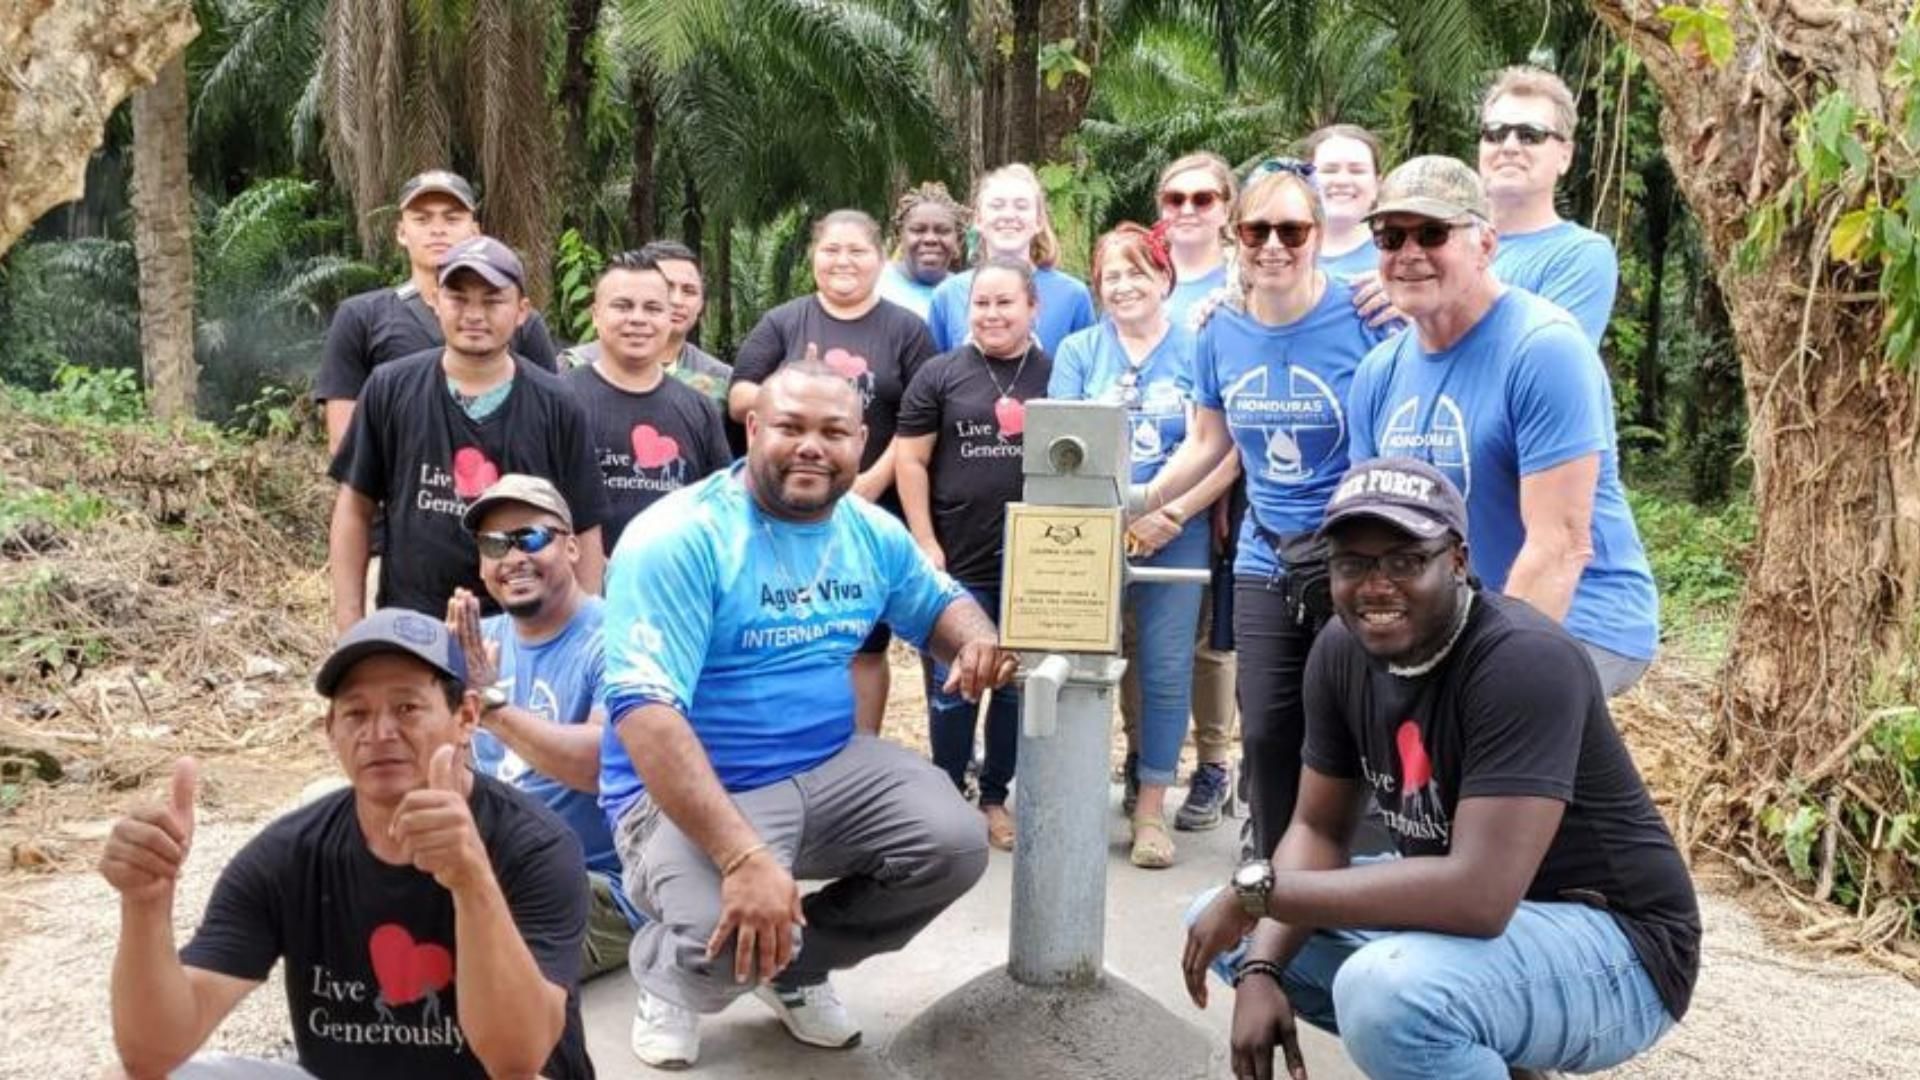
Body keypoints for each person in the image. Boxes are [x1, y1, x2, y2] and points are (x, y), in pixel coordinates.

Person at [1182, 456, 1699, 1080]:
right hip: (1490, 936)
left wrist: (1260, 893)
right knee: (1218, 926)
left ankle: (1487, 1040)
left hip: (1621, 950)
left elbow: (1478, 896)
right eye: (1353, 563)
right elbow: (1319, 831)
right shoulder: (1342, 651)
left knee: (1387, 994)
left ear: (1456, 560)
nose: (1376, 585)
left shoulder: (1523, 661)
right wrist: (1262, 968)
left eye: (1405, 561)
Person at [598, 360, 1016, 1069]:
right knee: (716, 936)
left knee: (952, 844)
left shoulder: (867, 530)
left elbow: (939, 602)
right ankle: (669, 975)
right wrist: (742, 856)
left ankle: (791, 967)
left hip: (827, 762)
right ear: (753, 427)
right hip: (696, 787)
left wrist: (975, 641)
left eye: (833, 431)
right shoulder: (678, 537)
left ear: (862, 440)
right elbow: (646, 715)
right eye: (790, 427)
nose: (811, 447)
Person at [99, 608, 594, 1079]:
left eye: (406, 707)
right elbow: (151, 1052)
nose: (379, 733)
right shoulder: (291, 855)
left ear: (466, 717)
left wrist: (471, 881)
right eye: (356, 713)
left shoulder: (534, 846)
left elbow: (517, 1056)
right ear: (330, 731)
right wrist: (144, 905)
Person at [1145, 162, 1387, 860]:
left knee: (1353, 716)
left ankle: (1354, 868)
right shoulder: (1217, 328)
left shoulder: (1363, 315)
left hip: (1352, 552)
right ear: (1235, 237)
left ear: (1318, 234)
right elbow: (1207, 441)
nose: (1273, 245)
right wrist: (1131, 501)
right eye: (1257, 230)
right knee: (1268, 723)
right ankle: (1270, 864)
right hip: (1266, 550)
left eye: (1292, 229)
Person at [1346, 155, 1658, 694]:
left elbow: (1561, 544)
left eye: (1433, 232)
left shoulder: (1543, 349)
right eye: (1391, 237)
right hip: (1454, 619)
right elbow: (1373, 531)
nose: (1409, 253)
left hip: (1578, 616)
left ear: (1486, 245)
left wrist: (1479, 672)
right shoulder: (1379, 372)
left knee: (1496, 737)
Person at [727, 209, 939, 736]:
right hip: (790, 505)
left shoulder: (907, 330)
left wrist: (870, 482)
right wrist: (799, 387)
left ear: (880, 257)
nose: (843, 261)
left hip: (874, 500)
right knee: (791, 627)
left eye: (857, 251)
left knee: (865, 642)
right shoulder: (785, 322)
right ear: (813, 256)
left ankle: (861, 751)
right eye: (831, 250)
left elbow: (922, 418)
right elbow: (738, 397)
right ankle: (791, 744)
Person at [329, 235, 607, 632]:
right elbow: (355, 506)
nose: (474, 314)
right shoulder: (389, 388)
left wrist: (582, 635)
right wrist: (349, 623)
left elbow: (585, 525)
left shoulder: (558, 402)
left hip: (526, 632)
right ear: (436, 303)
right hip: (413, 622)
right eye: (458, 298)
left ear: (522, 311)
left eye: (493, 300)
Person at [1049, 224, 1207, 869]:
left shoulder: (1199, 349)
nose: (1123, 287)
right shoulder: (1081, 351)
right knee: (1081, 666)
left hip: (1178, 527)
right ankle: (1077, 802)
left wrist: (1169, 511)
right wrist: (1116, 518)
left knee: (1166, 671)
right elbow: (1059, 446)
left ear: (1165, 277)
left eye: (1137, 272)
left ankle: (1149, 812)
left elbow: (1221, 446)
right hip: (1089, 533)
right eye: (1111, 277)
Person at [447, 474, 643, 979]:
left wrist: (489, 706)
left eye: (531, 537)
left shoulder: (617, 638)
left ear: (573, 548)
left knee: (468, 966)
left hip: (592, 886)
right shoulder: (477, 641)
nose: (512, 557)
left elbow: (599, 764)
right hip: (495, 867)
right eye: (494, 544)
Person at [897, 257, 1051, 852]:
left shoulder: (1056, 374)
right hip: (956, 559)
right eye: (981, 303)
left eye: (1005, 302)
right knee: (952, 683)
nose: (992, 314)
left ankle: (993, 797)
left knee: (1012, 686)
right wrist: (924, 541)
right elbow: (910, 460)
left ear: (1032, 307)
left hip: (1032, 564)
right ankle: (945, 789)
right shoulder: (940, 374)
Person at [314, 170, 559, 455]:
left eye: (452, 218)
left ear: (475, 231)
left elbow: (551, 422)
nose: (437, 229)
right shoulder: (360, 317)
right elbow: (344, 443)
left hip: (503, 489)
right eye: (422, 218)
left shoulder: (519, 322)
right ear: (401, 232)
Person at [1153, 153, 1242, 832]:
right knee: (1151, 632)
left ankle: (1214, 764)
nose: (1188, 209)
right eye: (1176, 197)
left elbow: (1234, 428)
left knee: (1217, 634)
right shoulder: (1148, 281)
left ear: (1227, 206)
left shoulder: (1244, 282)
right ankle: (1148, 765)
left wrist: (1177, 502)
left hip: (1226, 489)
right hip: (1163, 489)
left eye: (1203, 198)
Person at [566, 251, 731, 554]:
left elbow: (721, 513)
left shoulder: (700, 409)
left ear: (670, 319)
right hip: (578, 592)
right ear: (595, 314)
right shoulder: (559, 400)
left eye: (653, 308)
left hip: (675, 587)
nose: (638, 319)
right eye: (623, 306)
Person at [1480, 66, 1618, 346]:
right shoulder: (1439, 240)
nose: (1509, 146)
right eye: (1495, 133)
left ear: (1564, 156)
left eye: (1530, 135)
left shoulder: (1580, 255)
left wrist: (1425, 317)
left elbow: (1545, 361)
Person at [926, 163, 1096, 354]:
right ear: (979, 220)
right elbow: (933, 376)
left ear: (1039, 221)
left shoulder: (1073, 296)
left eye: (1021, 206)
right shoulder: (947, 296)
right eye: (997, 206)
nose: (1008, 215)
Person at [1303, 124, 1385, 281]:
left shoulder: (1399, 254)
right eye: (1329, 170)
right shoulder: (1278, 250)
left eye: (1357, 171)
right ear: (1306, 181)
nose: (1342, 181)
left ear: (1377, 184)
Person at [877, 181, 969, 321]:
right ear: (899, 235)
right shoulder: (873, 285)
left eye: (942, 231)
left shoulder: (968, 293)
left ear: (959, 239)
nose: (930, 239)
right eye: (918, 230)